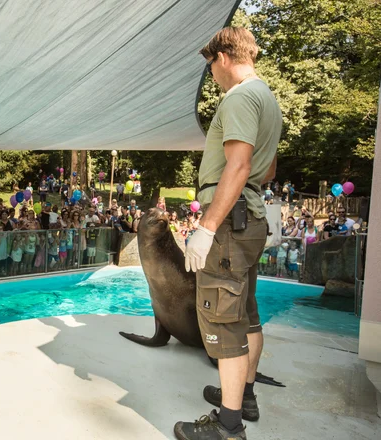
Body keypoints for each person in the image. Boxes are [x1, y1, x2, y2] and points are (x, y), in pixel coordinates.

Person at [179, 27, 282, 440]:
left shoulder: (239, 96)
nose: (213, 77)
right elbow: (267, 170)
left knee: (223, 320)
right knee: (246, 314)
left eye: (211, 68)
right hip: (250, 218)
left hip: (229, 223)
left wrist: (206, 228)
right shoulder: (268, 98)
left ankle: (228, 426)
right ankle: (244, 397)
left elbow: (238, 167)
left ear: (223, 56)